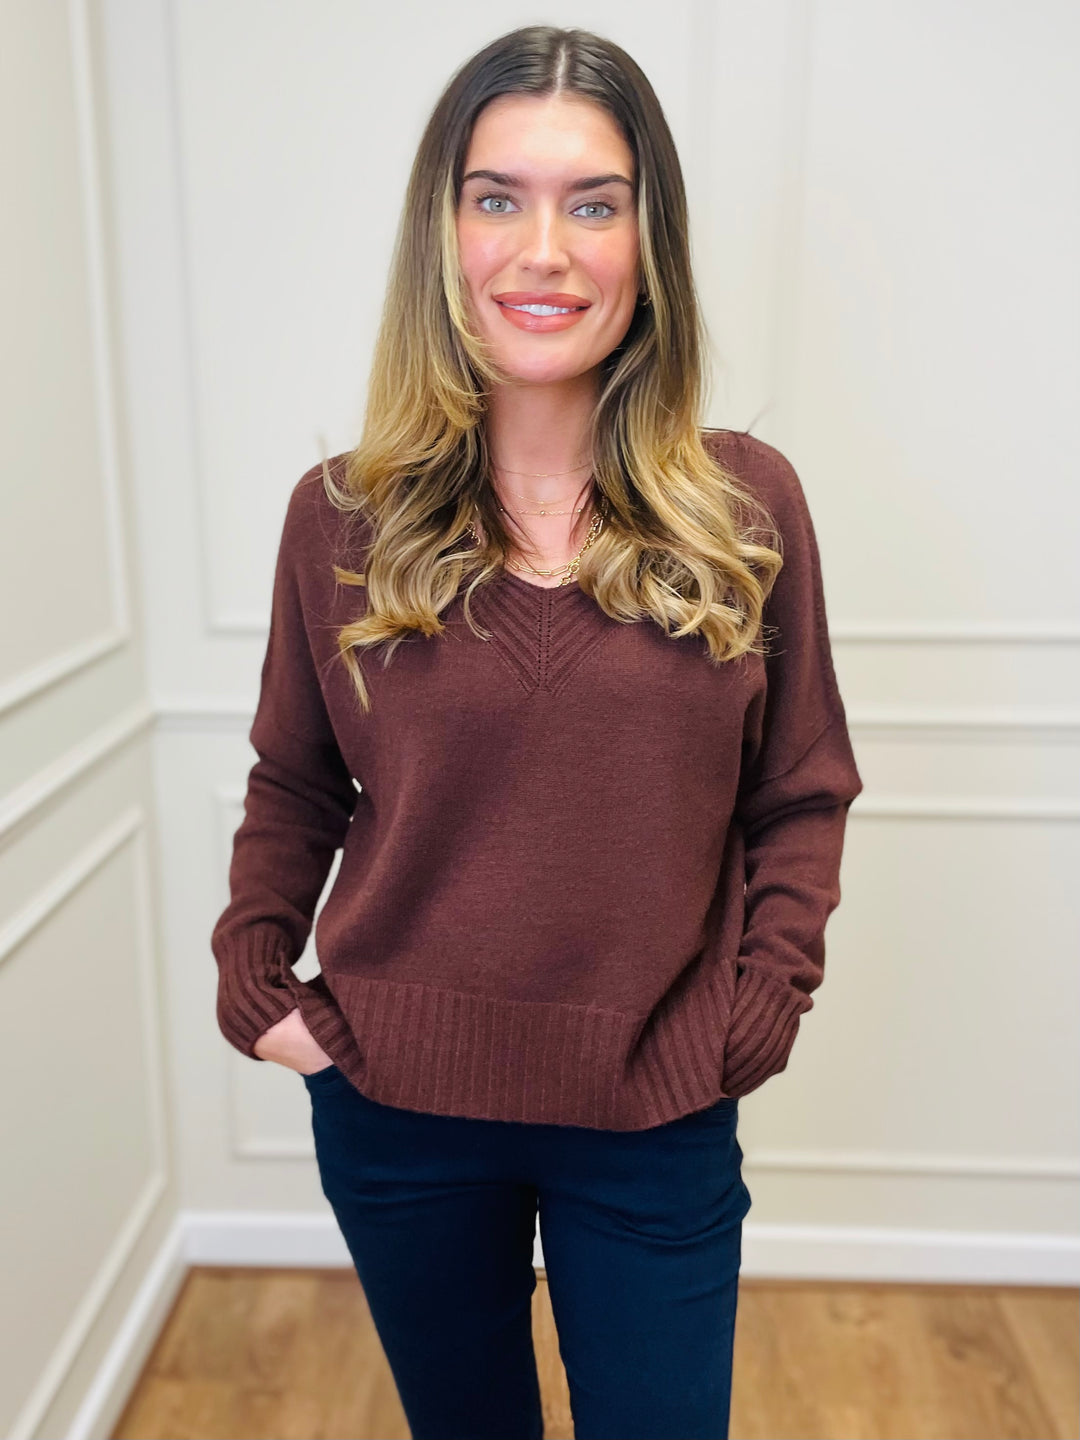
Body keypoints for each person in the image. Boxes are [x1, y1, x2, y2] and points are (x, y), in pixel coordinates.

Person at [210, 24, 863, 1440]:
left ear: (648, 240)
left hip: (657, 1105)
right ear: (442, 234)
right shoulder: (340, 518)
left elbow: (801, 787)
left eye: (595, 203)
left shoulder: (745, 508)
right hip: (398, 1110)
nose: (544, 251)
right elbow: (296, 780)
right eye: (498, 197)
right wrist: (257, 977)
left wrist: (766, 997)